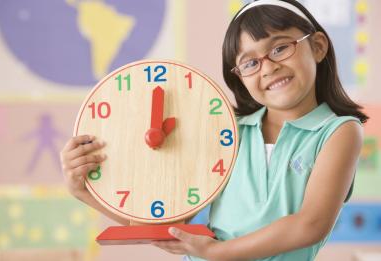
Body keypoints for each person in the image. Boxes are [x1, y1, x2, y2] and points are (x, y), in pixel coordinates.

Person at [60, 0, 369, 260]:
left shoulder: (339, 131)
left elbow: (310, 225)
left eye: (280, 48)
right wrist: (84, 192)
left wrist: (218, 252)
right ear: (240, 78)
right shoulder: (228, 128)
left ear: (317, 46)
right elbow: (171, 225)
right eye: (250, 63)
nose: (268, 67)